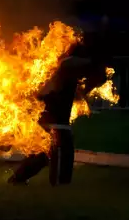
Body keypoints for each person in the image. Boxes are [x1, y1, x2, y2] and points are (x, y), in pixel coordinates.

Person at [7, 16, 111, 186]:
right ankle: (59, 186)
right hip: (55, 119)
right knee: (61, 147)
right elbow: (96, 72)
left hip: (46, 114)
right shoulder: (69, 63)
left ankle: (17, 179)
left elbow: (92, 77)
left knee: (44, 152)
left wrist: (85, 88)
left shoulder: (63, 63)